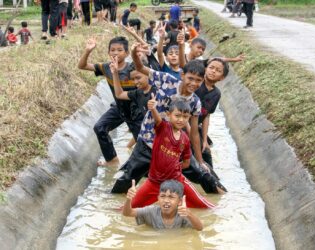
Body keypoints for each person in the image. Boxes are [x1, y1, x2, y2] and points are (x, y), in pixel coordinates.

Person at [111, 43, 226, 194]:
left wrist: (199, 160)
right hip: (148, 142)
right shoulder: (167, 80)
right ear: (183, 75)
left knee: (203, 175)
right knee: (126, 181)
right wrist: (133, 53)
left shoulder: (195, 102)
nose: (194, 84)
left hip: (174, 148)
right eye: (190, 78)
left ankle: (222, 201)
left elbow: (194, 133)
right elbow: (140, 68)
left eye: (198, 80)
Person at [127, 98, 215, 209]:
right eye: (177, 116)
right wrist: (153, 108)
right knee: (128, 207)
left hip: (176, 181)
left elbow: (187, 162)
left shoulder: (185, 140)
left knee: (206, 206)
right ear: (169, 115)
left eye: (185, 117)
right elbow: (158, 119)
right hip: (154, 181)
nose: (181, 120)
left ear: (189, 118)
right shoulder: (163, 128)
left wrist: (174, 167)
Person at [78, 37, 142, 167]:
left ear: (127, 53)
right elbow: (82, 66)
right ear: (108, 53)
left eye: (120, 50)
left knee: (143, 142)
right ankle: (112, 161)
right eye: (112, 50)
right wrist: (88, 51)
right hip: (119, 109)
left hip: (137, 111)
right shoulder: (106, 67)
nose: (115, 53)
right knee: (100, 128)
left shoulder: (133, 69)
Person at [123, 179, 204, 230]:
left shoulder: (183, 214)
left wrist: (189, 214)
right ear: (158, 198)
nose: (166, 200)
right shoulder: (151, 211)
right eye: (162, 196)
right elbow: (127, 213)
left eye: (171, 197)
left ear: (179, 201)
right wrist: (128, 199)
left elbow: (200, 228)